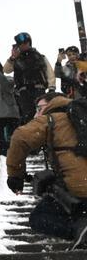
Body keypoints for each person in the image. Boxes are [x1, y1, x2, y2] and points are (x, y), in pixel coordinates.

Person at [6, 93, 87, 249]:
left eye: (39, 108)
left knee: (39, 218)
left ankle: (79, 229)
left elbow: (20, 137)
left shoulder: (52, 119)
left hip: (79, 190)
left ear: (52, 104)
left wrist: (15, 175)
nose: (37, 113)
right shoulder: (82, 115)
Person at [4, 32, 54, 124]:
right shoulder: (16, 59)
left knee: (41, 114)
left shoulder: (39, 57)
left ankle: (43, 134)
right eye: (20, 44)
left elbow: (49, 72)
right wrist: (12, 57)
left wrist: (51, 88)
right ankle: (32, 135)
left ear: (29, 43)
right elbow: (6, 70)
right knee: (28, 117)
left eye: (25, 43)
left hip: (39, 89)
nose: (23, 46)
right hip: (23, 92)